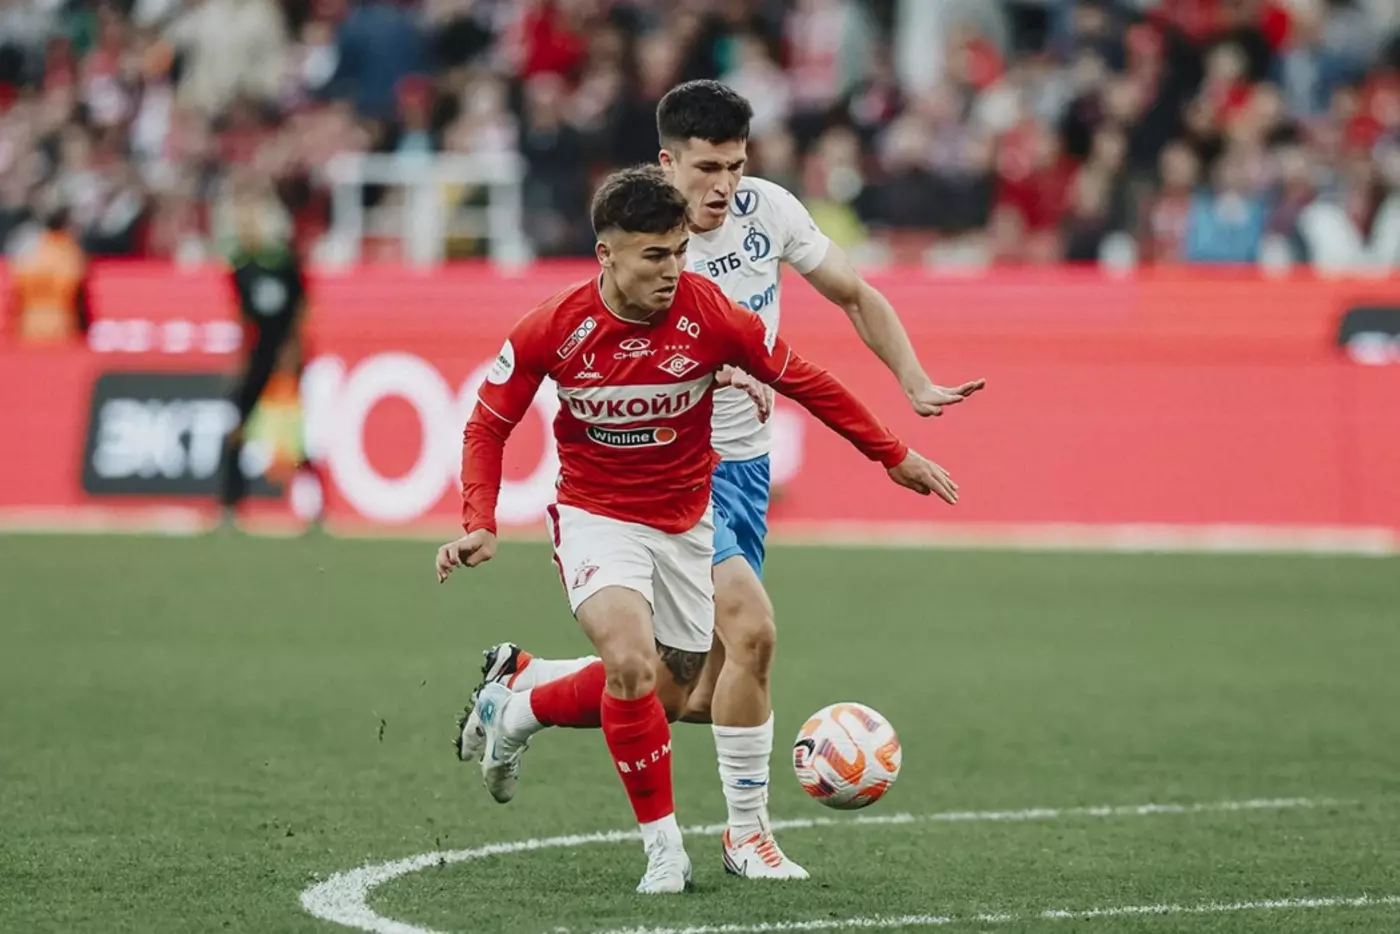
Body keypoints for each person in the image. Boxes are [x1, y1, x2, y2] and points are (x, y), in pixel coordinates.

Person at [456, 81, 985, 879]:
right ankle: (745, 836)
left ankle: (525, 695)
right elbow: (616, 346)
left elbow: (849, 296)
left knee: (686, 697)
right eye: (707, 168)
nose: (724, 186)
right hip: (677, 473)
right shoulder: (645, 236)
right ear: (667, 164)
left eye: (735, 166)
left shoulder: (767, 211)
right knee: (750, 634)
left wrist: (909, 382)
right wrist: (715, 374)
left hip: (745, 468)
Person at [214, 180, 325, 530]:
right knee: (237, 430)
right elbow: (242, 316)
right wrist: (241, 359)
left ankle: (315, 506)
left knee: (294, 437)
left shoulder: (283, 262)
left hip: (284, 358)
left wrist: (293, 353)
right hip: (256, 357)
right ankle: (230, 505)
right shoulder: (240, 266)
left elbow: (300, 309)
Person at [6, 205, 91, 347]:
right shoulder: (70, 253)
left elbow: (16, 290)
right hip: (62, 325)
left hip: (28, 324)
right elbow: (77, 293)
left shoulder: (30, 249)